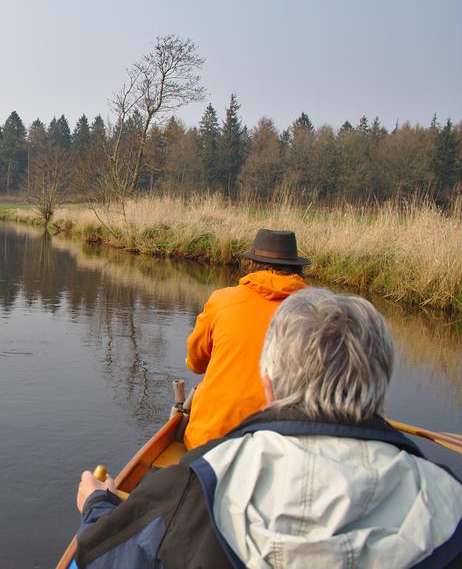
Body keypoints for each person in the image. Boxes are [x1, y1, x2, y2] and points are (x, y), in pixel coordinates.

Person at [72, 288, 462, 568]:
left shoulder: (196, 484)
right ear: (381, 385)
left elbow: (104, 557)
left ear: (269, 383)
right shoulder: (450, 504)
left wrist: (97, 506)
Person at [183, 228, 309, 449]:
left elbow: (195, 363)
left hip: (210, 438)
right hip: (279, 448)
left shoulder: (222, 300)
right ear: (297, 268)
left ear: (252, 263)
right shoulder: (317, 313)